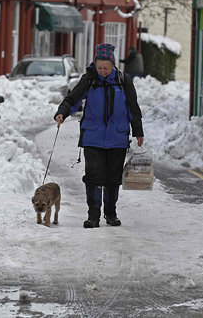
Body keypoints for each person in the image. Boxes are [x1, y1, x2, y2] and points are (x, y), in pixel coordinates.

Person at [54, 43, 144, 228]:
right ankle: (93, 216)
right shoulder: (90, 79)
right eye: (99, 67)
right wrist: (62, 112)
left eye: (106, 68)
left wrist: (138, 131)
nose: (102, 71)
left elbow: (133, 108)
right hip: (93, 136)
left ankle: (110, 213)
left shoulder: (123, 81)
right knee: (93, 176)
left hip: (117, 137)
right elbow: (73, 99)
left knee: (113, 178)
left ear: (113, 66)